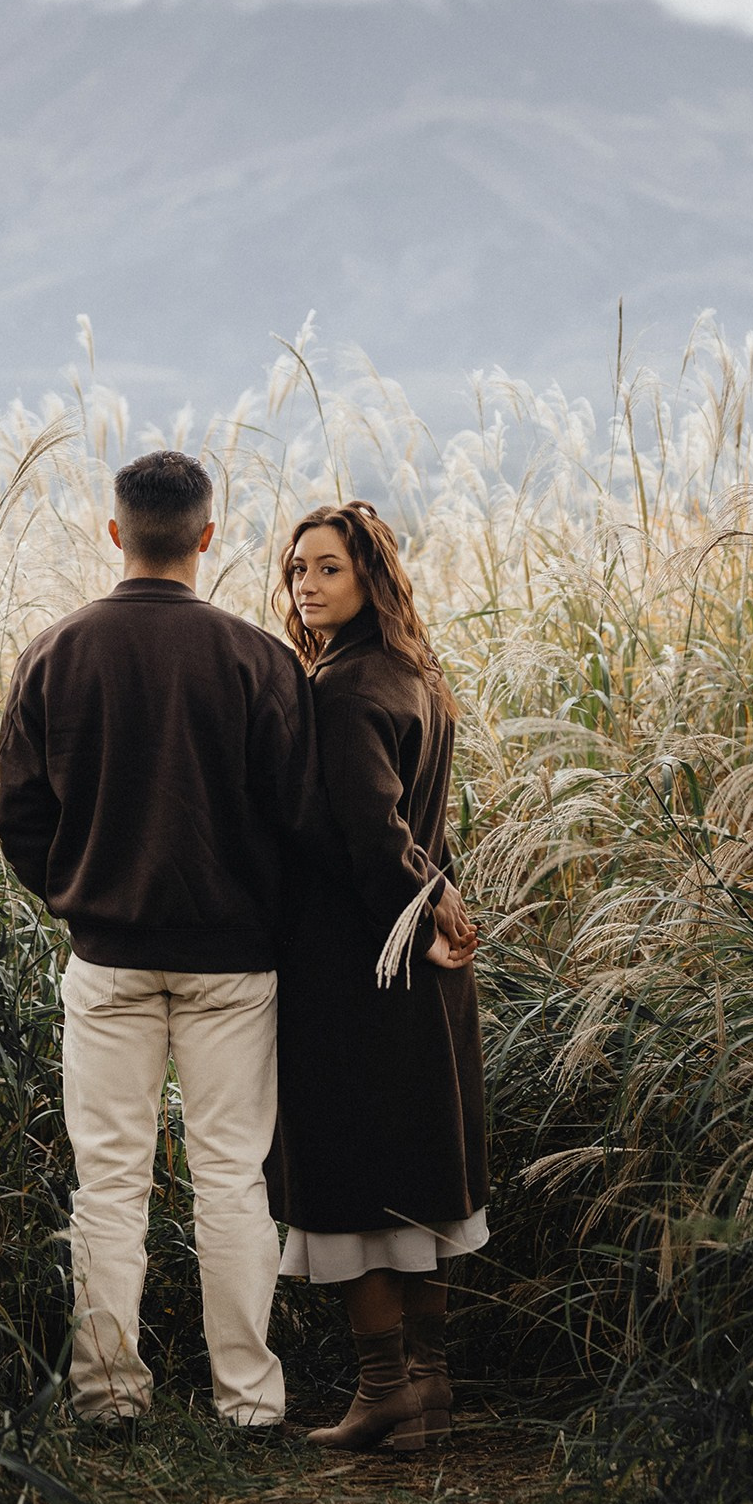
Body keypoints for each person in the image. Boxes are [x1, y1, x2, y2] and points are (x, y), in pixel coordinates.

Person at [0, 450, 318, 1428]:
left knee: (108, 1182)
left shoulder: (52, 653)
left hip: (106, 958)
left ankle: (106, 1394)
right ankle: (248, 1400)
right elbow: (298, 818)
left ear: (115, 533)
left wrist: (81, 896)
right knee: (230, 1178)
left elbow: (20, 817)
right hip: (233, 962)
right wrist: (253, 908)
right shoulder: (259, 658)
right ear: (206, 537)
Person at [267, 499, 488, 1453]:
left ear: (369, 579)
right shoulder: (416, 677)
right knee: (421, 1162)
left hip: (362, 966)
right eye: (299, 571)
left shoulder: (344, 689)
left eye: (328, 571)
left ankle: (386, 1386)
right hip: (425, 961)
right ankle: (428, 1390)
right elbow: (411, 827)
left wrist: (417, 905)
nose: (307, 588)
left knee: (356, 1170)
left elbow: (371, 828)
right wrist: (439, 900)